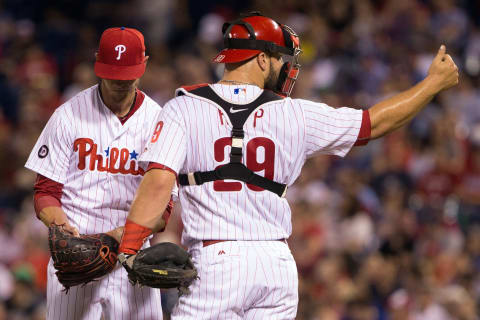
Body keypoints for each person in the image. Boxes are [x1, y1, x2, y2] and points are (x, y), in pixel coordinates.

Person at [116, 13, 459, 319]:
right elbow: (374, 124)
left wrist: (128, 250)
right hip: (275, 264)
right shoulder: (295, 113)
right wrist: (432, 84)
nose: (285, 67)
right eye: (281, 59)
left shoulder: (183, 108)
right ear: (262, 59)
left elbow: (159, 183)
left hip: (216, 261)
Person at [25, 27, 173, 320]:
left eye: (127, 75)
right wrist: (58, 224)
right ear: (97, 64)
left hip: (133, 254)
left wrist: (119, 236)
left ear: (144, 64)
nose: (120, 83)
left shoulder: (160, 121)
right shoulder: (68, 115)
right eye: (112, 74)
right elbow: (45, 192)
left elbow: (164, 207)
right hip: (77, 253)